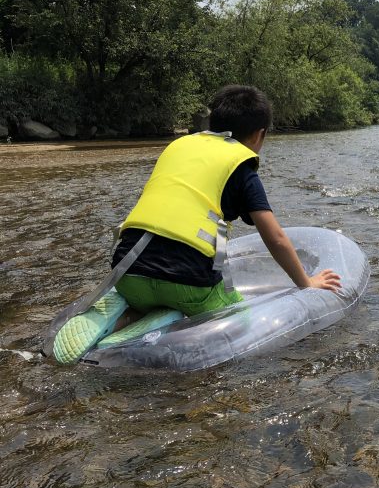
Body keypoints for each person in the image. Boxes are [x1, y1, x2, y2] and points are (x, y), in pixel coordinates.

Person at [110, 84, 340, 318]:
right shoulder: (242, 167)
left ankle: (129, 317)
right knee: (242, 319)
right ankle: (170, 314)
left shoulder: (178, 147)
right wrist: (307, 283)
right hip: (188, 284)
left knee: (150, 291)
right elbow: (276, 238)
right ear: (259, 134)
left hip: (126, 272)